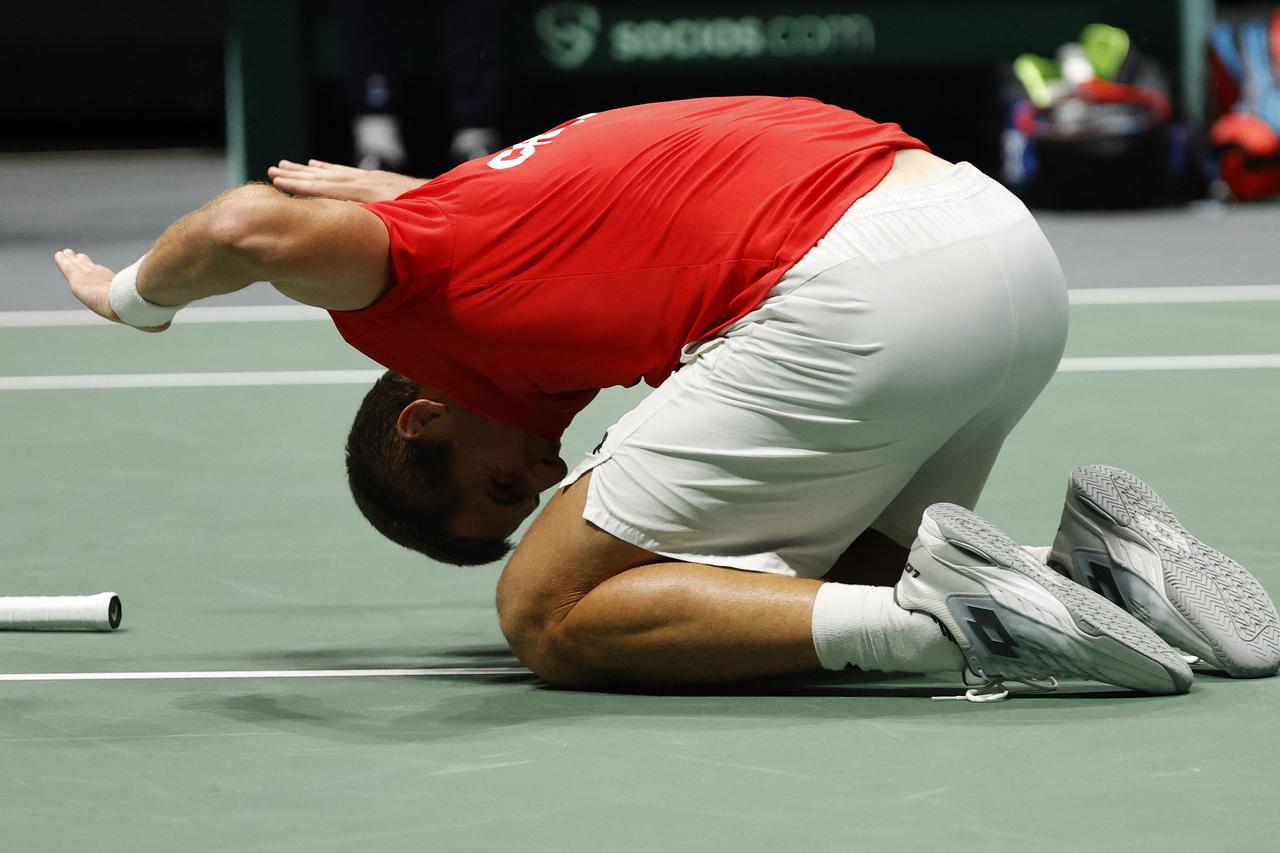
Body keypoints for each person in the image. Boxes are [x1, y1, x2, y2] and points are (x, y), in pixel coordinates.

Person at [54, 96, 1279, 700]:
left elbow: (242, 223)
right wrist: (409, 186)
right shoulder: (490, 232)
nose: (544, 480)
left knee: (547, 610)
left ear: (421, 412)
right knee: (810, 593)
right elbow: (592, 207)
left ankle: (969, 624)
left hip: (858, 285)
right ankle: (1085, 564)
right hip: (998, 256)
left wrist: (134, 305)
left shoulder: (405, 293)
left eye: (501, 483)